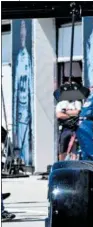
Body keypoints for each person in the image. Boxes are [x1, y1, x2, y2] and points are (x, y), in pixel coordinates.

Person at [13, 20, 33, 166]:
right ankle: (22, 161)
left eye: (24, 30)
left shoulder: (28, 58)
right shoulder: (18, 57)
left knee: (26, 138)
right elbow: (15, 91)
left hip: (27, 107)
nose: (21, 34)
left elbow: (31, 87)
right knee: (19, 138)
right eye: (20, 30)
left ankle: (27, 162)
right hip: (20, 108)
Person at [55, 87, 82, 161]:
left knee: (74, 147)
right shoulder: (60, 103)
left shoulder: (77, 102)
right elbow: (59, 115)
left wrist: (65, 112)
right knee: (62, 147)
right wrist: (72, 113)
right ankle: (61, 163)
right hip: (65, 128)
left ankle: (74, 163)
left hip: (75, 128)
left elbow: (78, 113)